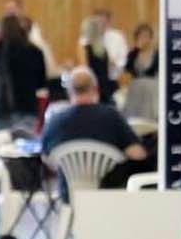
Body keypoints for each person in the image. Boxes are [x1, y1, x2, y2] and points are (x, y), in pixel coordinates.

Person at [41, 65, 152, 200]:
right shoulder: (111, 117)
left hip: (69, 198)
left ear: (69, 92)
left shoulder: (55, 120)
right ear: (96, 89)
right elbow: (138, 154)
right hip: (108, 197)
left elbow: (46, 159)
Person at [0, 13, 47, 134]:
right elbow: (41, 83)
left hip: (2, 108)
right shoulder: (35, 51)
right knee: (24, 149)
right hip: (27, 108)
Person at [77, 9, 128, 104]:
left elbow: (85, 68)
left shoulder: (85, 47)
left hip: (95, 85)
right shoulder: (103, 49)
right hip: (105, 84)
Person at [4, 0, 59, 80]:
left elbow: (40, 51)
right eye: (7, 10)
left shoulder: (33, 30)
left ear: (21, 9)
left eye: (12, 9)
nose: (10, 13)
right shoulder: (5, 31)